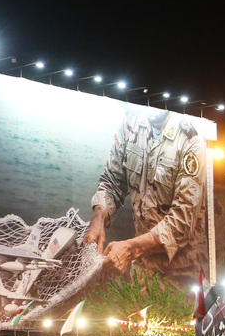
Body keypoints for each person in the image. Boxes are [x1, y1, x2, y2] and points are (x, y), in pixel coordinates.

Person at [83, 107, 206, 286]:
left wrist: (129, 249)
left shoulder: (191, 139)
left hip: (181, 274)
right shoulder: (132, 120)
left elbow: (182, 223)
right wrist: (99, 217)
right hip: (142, 269)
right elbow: (113, 180)